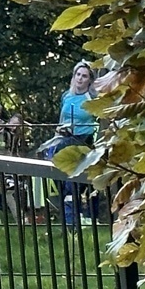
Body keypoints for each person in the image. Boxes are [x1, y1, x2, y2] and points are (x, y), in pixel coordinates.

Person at [38, 61, 100, 224]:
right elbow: (61, 119)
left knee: (74, 183)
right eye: (78, 75)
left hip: (83, 142)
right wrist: (58, 133)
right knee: (60, 180)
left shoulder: (92, 98)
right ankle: (68, 219)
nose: (80, 78)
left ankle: (78, 218)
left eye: (84, 76)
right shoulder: (66, 95)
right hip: (64, 139)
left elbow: (99, 121)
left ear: (89, 80)